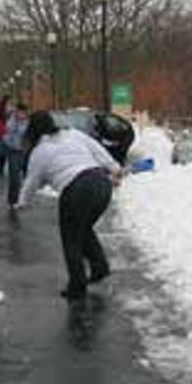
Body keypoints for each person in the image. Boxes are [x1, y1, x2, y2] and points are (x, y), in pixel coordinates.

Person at [15, 111, 124, 302]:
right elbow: (97, 149)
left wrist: (22, 202)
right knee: (83, 228)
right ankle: (100, 268)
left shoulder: (40, 151)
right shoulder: (73, 134)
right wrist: (114, 167)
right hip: (101, 183)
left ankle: (77, 286)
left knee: (71, 239)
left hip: (76, 189)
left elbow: (31, 181)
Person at [3, 102, 29, 206]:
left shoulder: (28, 121)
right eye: (20, 112)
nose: (22, 114)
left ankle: (23, 198)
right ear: (17, 112)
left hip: (25, 152)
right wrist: (12, 144)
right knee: (14, 178)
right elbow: (6, 135)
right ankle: (13, 200)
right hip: (13, 152)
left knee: (28, 176)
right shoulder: (11, 122)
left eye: (24, 113)